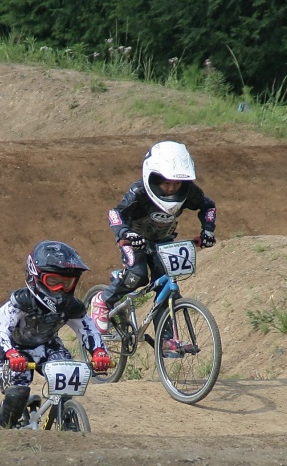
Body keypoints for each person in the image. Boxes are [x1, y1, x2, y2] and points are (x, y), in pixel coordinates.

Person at [88, 141, 217, 356]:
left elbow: (208, 205)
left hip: (163, 242)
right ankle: (103, 300)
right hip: (134, 241)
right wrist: (124, 234)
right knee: (138, 276)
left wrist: (208, 230)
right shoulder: (139, 191)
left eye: (177, 184)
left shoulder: (190, 192)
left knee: (166, 285)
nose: (171, 188)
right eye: (166, 183)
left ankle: (166, 339)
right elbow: (115, 213)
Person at [0, 241, 111, 428]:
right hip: (16, 351)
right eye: (53, 282)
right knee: (17, 393)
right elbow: (0, 330)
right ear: (36, 278)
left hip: (48, 347)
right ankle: (1, 430)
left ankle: (66, 418)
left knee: (69, 375)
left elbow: (87, 328)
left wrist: (99, 352)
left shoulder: (71, 306)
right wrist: (10, 353)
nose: (60, 289)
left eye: (67, 282)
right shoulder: (20, 303)